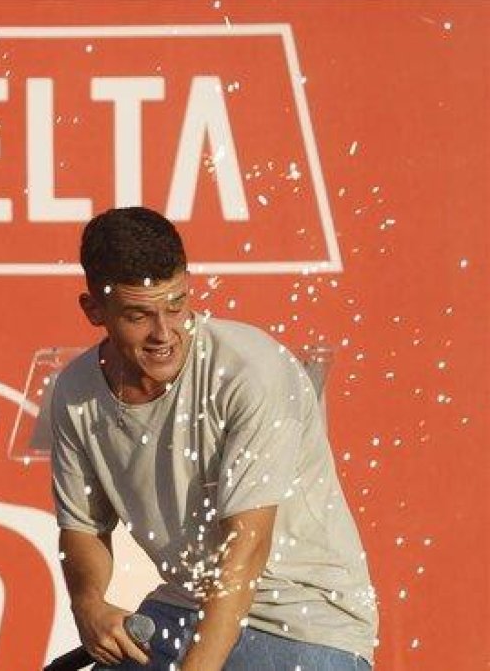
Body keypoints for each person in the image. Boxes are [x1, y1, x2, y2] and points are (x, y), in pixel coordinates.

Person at [48, 207, 378, 670]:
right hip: (183, 607)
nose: (164, 333)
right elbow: (83, 528)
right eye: (139, 316)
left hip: (305, 623)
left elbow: (246, 549)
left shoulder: (250, 372)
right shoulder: (75, 391)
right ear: (94, 310)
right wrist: (88, 606)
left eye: (176, 305)